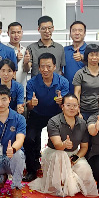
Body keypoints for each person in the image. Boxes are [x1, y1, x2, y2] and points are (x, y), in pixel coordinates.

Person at [30, 94, 98, 198]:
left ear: (78, 107)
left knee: (85, 169)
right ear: (62, 107)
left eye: (75, 105)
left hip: (73, 154)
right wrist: (64, 144)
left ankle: (72, 184)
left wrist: (75, 158)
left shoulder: (82, 123)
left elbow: (84, 147)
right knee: (60, 155)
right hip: (55, 153)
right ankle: (60, 186)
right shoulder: (54, 121)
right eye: (68, 105)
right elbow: (57, 146)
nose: (72, 108)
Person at [24, 53, 69, 182]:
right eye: (42, 66)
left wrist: (61, 102)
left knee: (60, 140)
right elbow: (29, 106)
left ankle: (61, 168)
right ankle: (32, 170)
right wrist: (31, 104)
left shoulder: (63, 82)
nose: (45, 69)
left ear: (54, 66)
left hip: (56, 115)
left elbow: (66, 105)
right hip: (37, 114)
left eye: (48, 66)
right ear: (38, 67)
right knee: (29, 139)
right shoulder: (32, 82)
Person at [72, 44, 99, 120]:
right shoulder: (80, 73)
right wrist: (77, 111)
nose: (94, 57)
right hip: (84, 111)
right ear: (86, 56)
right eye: (91, 55)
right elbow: (77, 93)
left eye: (97, 55)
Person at [61, 21, 88, 95]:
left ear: (85, 33)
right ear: (70, 34)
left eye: (80, 30)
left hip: (87, 93)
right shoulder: (64, 50)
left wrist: (83, 58)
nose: (77, 33)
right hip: (68, 92)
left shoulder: (90, 50)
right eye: (74, 30)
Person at [7, 22, 30, 86]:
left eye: (19, 32)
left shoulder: (25, 50)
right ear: (8, 33)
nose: (16, 35)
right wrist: (15, 60)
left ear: (22, 33)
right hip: (7, 87)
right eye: (13, 32)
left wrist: (26, 63)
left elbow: (26, 70)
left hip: (22, 86)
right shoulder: (5, 50)